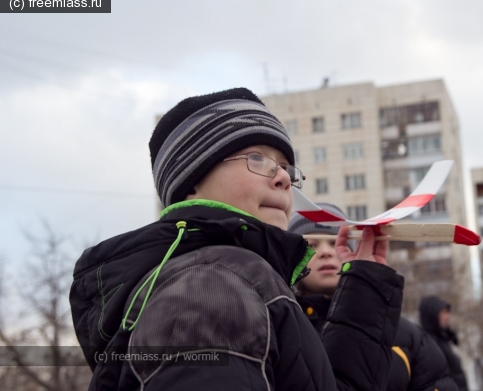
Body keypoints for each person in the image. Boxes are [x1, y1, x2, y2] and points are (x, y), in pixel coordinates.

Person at [69, 88, 404, 391]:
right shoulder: (210, 286)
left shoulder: (239, 278)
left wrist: (362, 288)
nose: (284, 179)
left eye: (287, 167)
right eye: (257, 158)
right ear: (192, 183)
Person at [288, 204, 459, 391]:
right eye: (311, 245)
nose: (326, 252)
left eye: (334, 242)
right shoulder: (280, 328)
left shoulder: (407, 337)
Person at [419, 296, 468, 391]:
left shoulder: (443, 340)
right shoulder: (428, 344)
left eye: (448, 312)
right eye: (444, 312)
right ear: (432, 315)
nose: (448, 316)